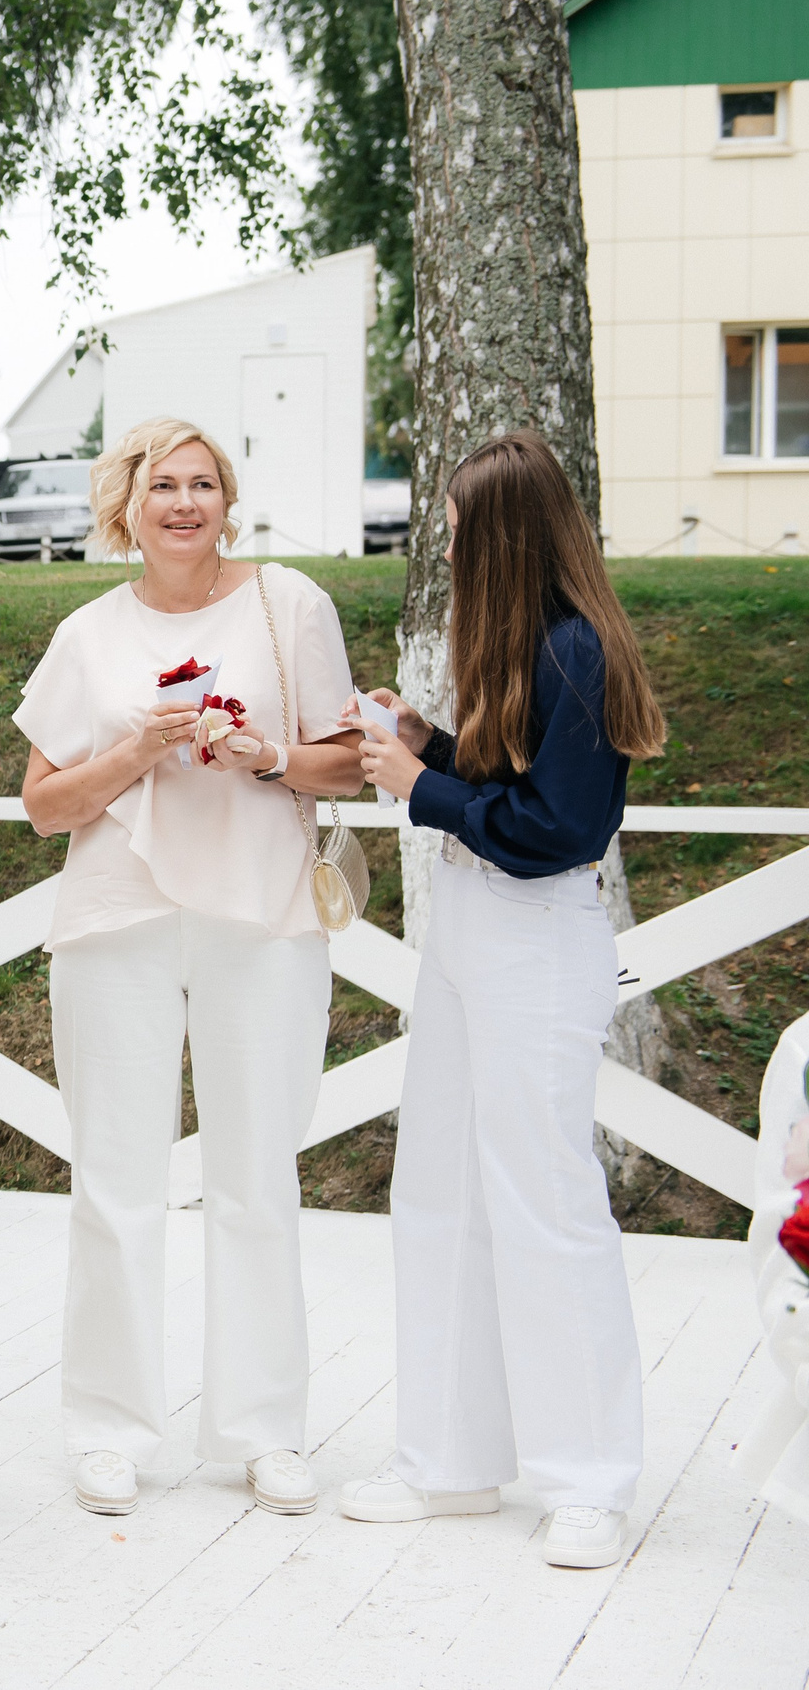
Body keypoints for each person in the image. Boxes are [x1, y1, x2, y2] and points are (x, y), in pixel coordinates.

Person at [13, 416, 365, 1517]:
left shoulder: (290, 603)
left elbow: (348, 765)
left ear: (227, 500)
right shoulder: (88, 631)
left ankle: (262, 1428)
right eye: (162, 484)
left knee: (257, 1175)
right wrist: (141, 748)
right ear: (130, 502)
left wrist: (263, 754)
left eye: (202, 484)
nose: (183, 502)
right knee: (115, 1179)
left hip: (259, 915)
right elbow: (39, 805)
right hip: (118, 910)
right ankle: (108, 1426)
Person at [340, 428, 666, 1571]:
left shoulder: (576, 650)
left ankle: (588, 1480)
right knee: (439, 1189)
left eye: (461, 520)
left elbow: (558, 831)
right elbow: (508, 785)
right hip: (472, 934)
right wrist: (426, 740)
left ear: (505, 534)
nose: (446, 533)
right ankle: (448, 1458)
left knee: (545, 1201)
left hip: (535, 937)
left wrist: (417, 785)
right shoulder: (523, 646)